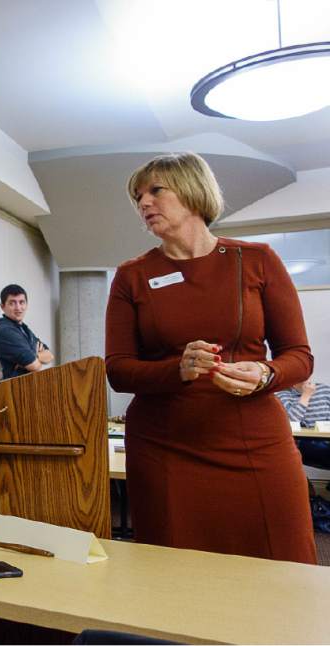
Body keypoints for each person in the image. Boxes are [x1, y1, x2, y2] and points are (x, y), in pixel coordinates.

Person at [105, 152, 316, 564]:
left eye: (155, 190)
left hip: (255, 443)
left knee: (285, 567)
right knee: (175, 577)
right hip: (165, 447)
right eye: (137, 196)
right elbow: (118, 369)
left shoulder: (256, 260)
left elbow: (299, 357)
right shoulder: (132, 275)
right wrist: (177, 369)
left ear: (192, 190)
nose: (143, 203)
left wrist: (265, 373)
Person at [0, 284, 54, 379]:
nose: (18, 308)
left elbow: (50, 355)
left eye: (21, 302)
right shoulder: (4, 331)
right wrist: (34, 358)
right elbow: (35, 366)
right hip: (10, 390)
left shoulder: (23, 328)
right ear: (2, 306)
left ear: (26, 305)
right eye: (12, 303)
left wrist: (34, 356)